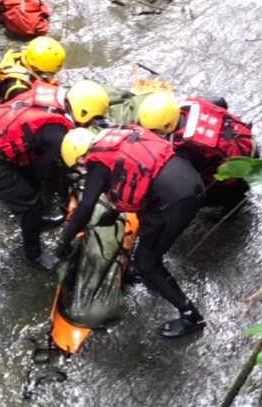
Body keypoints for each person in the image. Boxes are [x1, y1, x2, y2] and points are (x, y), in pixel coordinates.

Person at [55, 123, 205, 339]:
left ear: (80, 157)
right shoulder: (118, 137)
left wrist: (63, 243)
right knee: (149, 235)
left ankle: (191, 316)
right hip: (191, 180)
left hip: (177, 202)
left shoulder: (97, 165)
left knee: (147, 263)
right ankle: (149, 274)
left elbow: (85, 209)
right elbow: (137, 173)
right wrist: (115, 212)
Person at [0, 80, 110, 271]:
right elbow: (49, 169)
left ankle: (36, 221)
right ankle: (33, 255)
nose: (89, 124)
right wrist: (70, 194)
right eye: (90, 119)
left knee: (32, 187)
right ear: (83, 112)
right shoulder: (57, 132)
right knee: (30, 206)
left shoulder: (55, 98)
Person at [0, 36, 67, 108]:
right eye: (48, 73)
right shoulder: (19, 89)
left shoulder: (26, 56)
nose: (52, 76)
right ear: (35, 68)